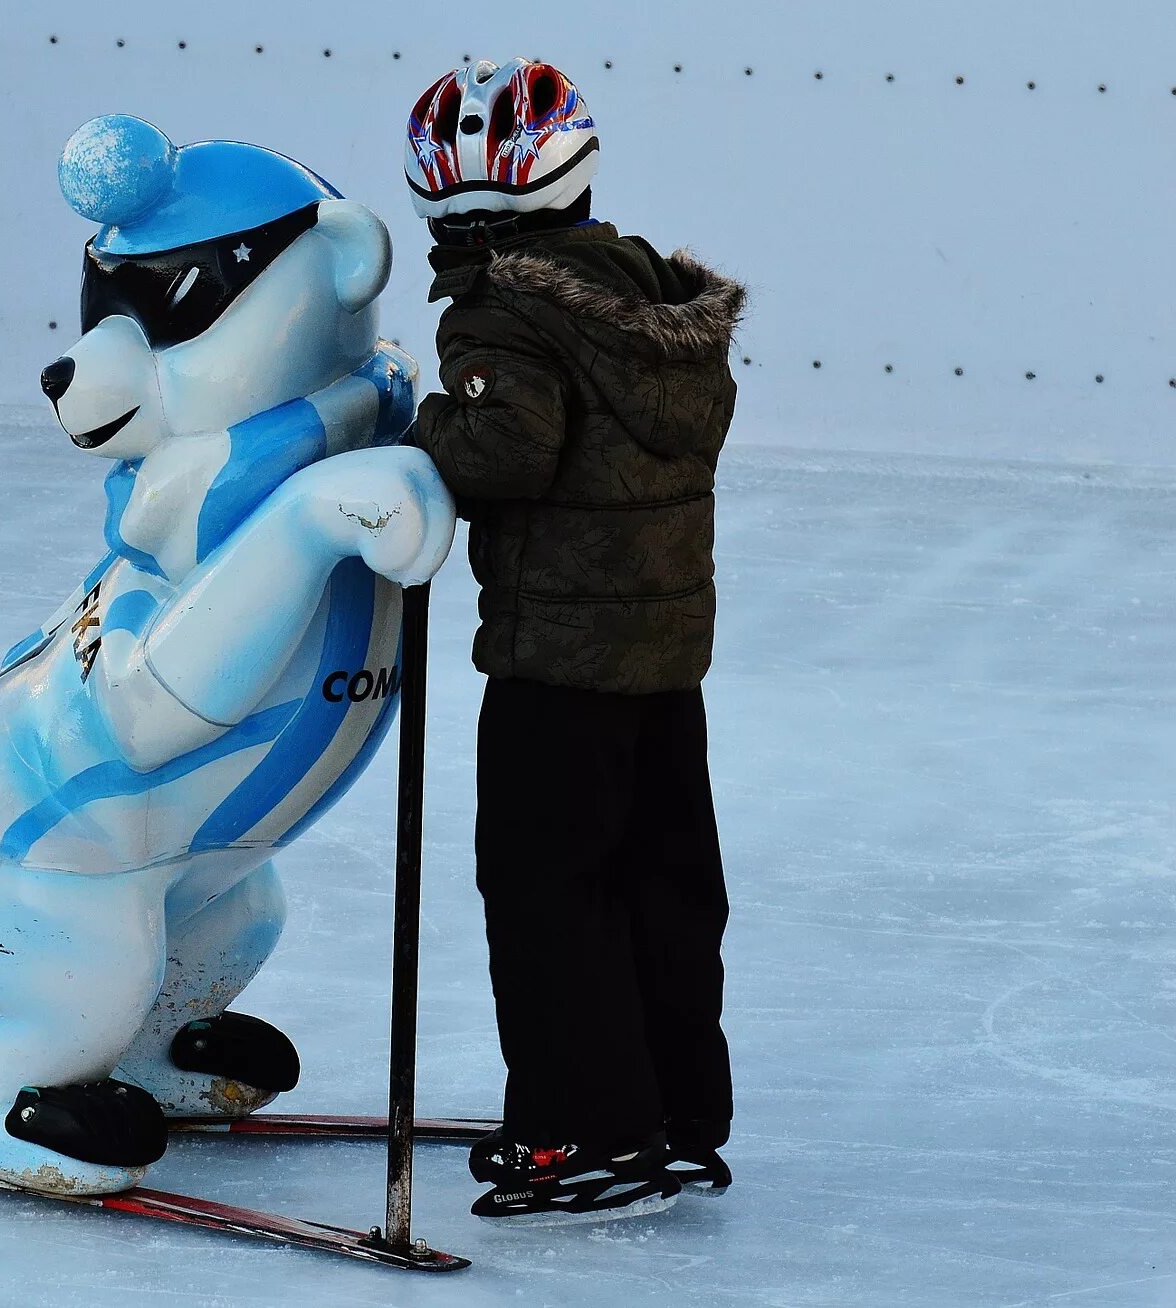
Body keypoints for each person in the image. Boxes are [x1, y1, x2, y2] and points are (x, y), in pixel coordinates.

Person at [403, 57, 746, 1223]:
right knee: (664, 883)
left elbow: (507, 451)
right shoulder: (650, 297)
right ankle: (673, 1115)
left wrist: (418, 427)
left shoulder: (503, 310)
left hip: (557, 658)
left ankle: (582, 1130)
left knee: (547, 891)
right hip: (664, 657)